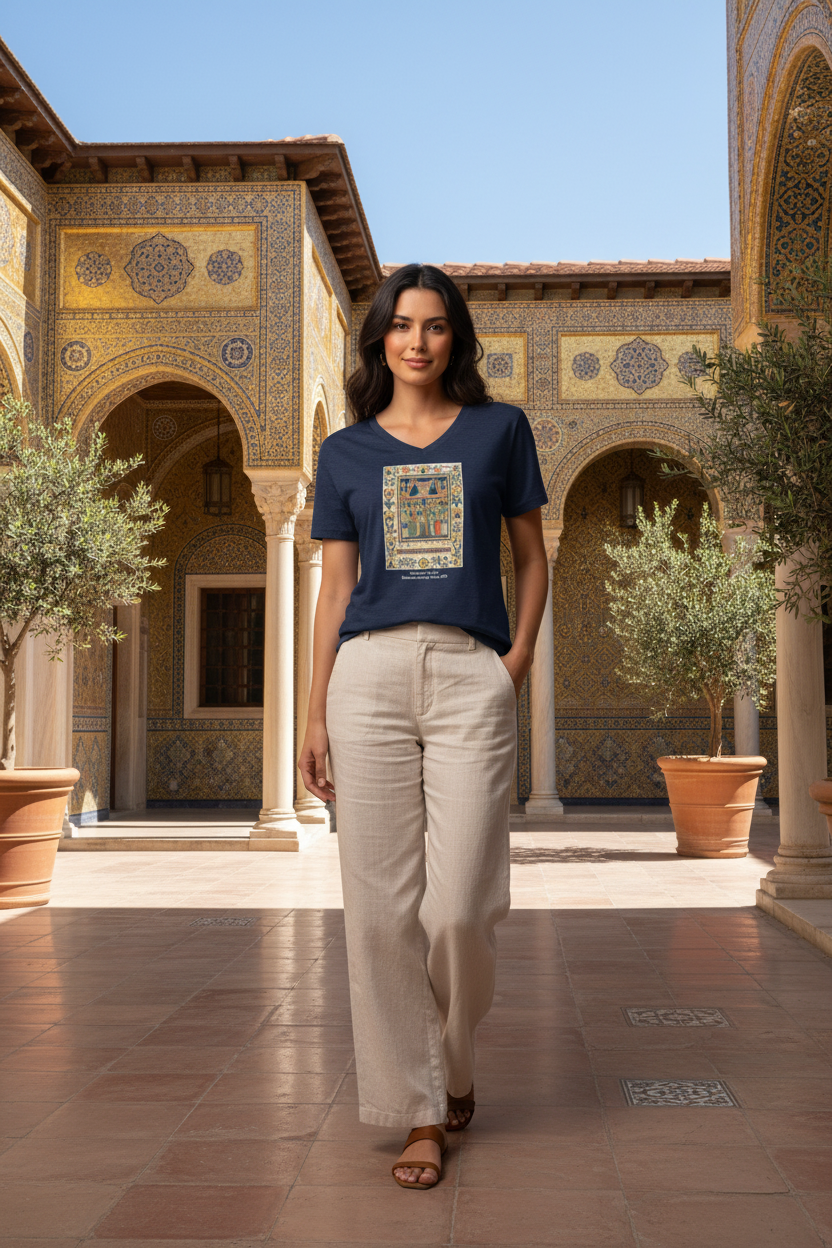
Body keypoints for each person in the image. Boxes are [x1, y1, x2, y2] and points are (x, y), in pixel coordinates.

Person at [298, 263, 549, 1189]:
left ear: (456, 339)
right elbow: (333, 587)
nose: (416, 342)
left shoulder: (499, 431)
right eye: (400, 326)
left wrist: (511, 664)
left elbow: (530, 560)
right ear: (379, 340)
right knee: (377, 913)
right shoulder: (346, 452)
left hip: (467, 674)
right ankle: (419, 1111)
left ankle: (455, 1065)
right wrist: (312, 710)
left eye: (435, 327)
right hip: (364, 678)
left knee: (458, 908)